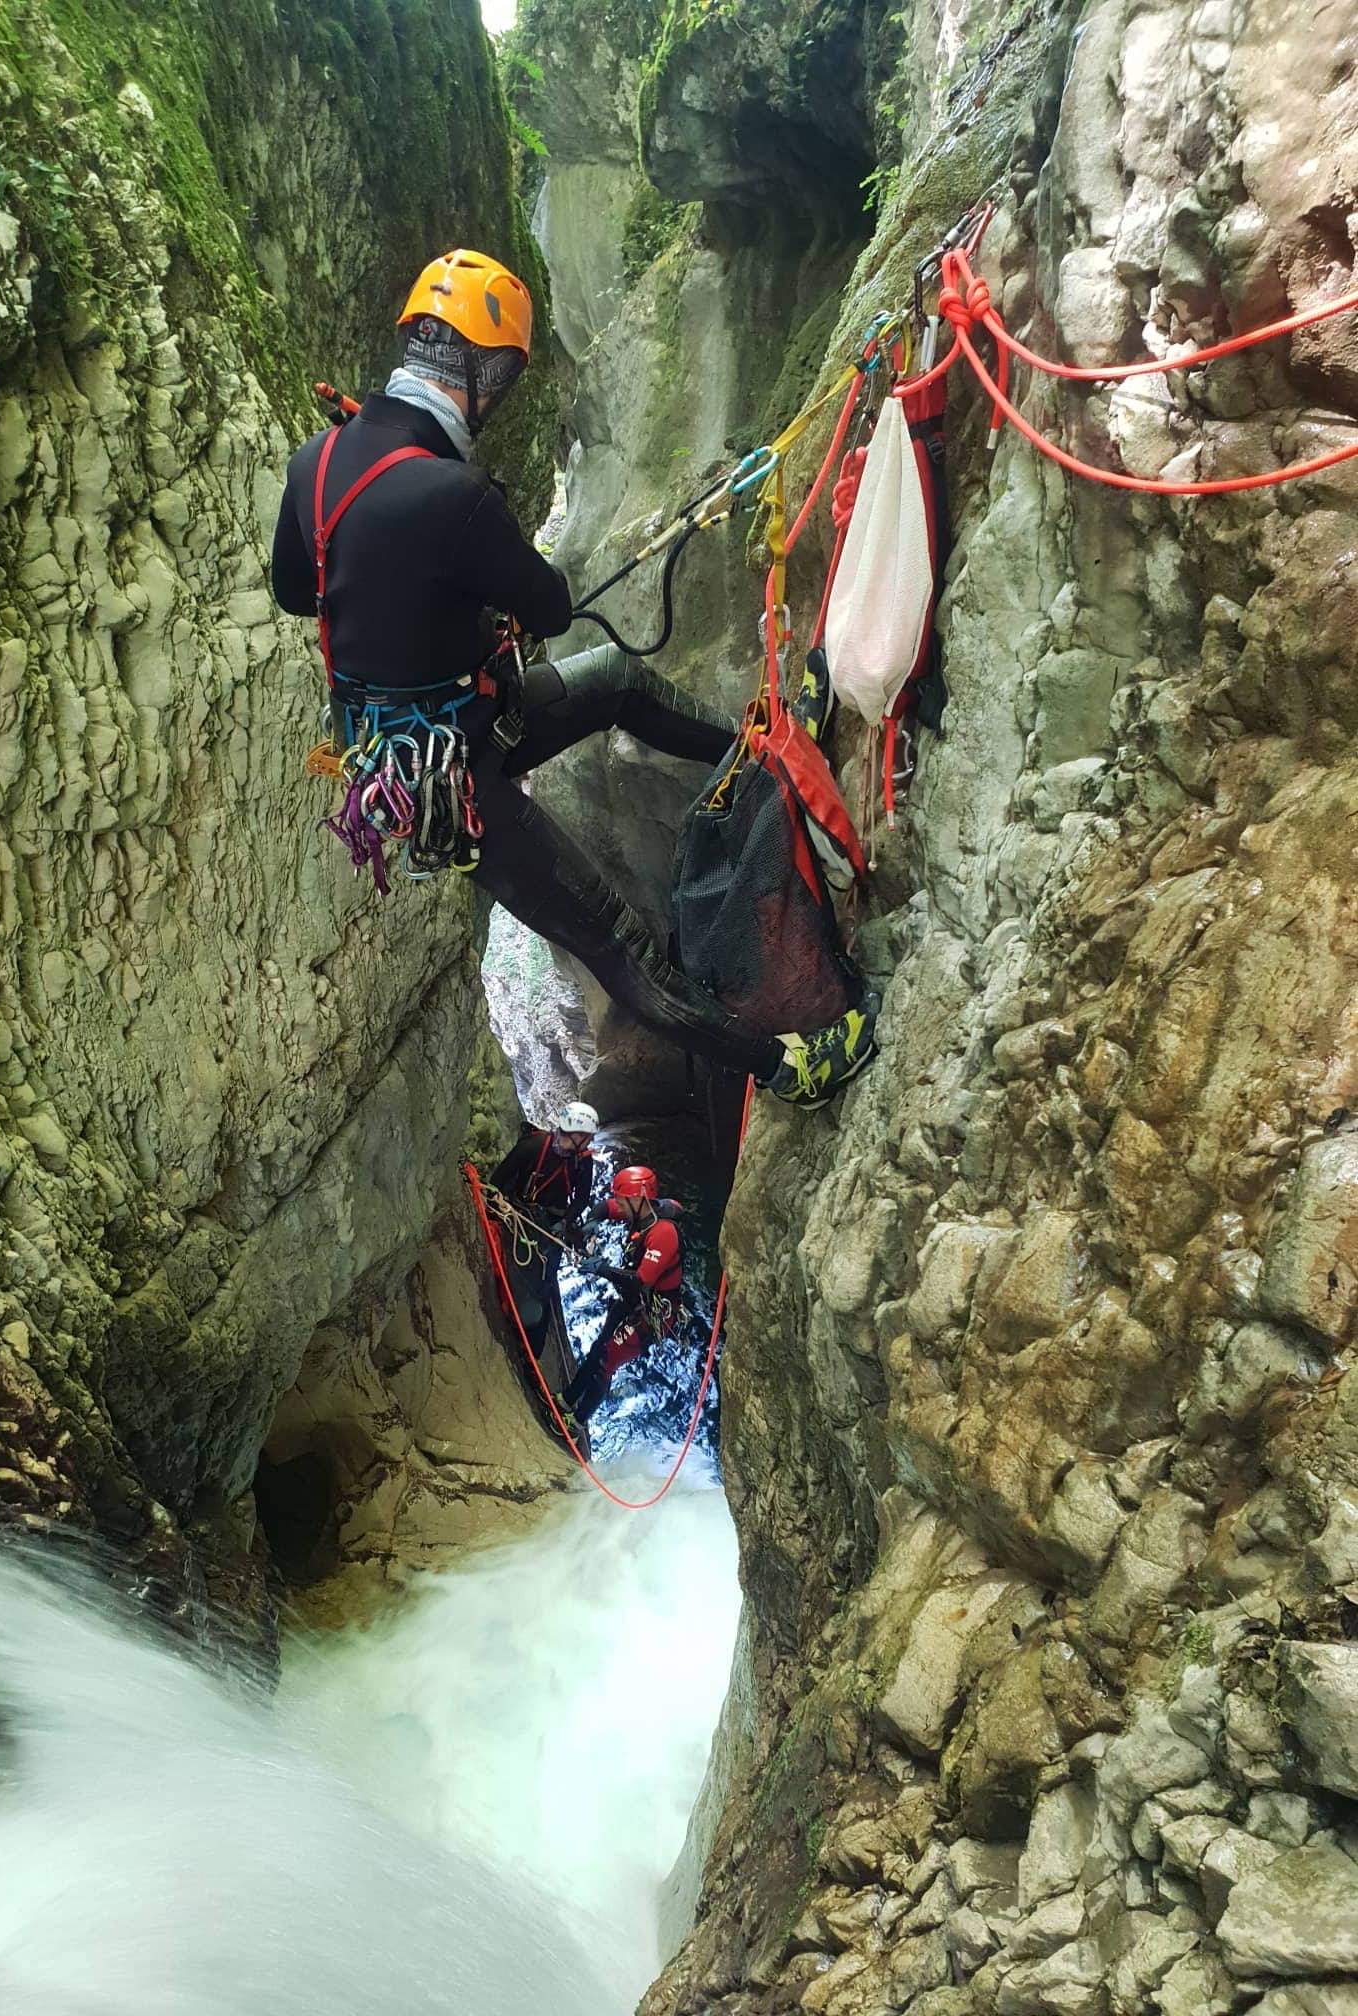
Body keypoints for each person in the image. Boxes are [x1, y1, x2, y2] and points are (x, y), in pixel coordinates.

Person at [271, 247, 877, 1110]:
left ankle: (762, 755)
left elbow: (298, 591)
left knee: (616, 680)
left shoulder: (315, 464)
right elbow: (550, 606)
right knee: (617, 942)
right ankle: (793, 1069)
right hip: (460, 786)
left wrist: (409, 598)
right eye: (504, 376)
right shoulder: (453, 494)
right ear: (481, 371)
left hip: (424, 741)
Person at [559, 1164, 682, 1431]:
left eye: (623, 1201)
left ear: (638, 1199)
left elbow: (641, 1280)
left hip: (652, 1313)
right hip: (632, 1301)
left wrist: (602, 1269)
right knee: (598, 1348)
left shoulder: (663, 1234)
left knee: (607, 1360)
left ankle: (576, 1423)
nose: (620, 1206)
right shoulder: (640, 1213)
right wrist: (592, 1223)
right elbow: (605, 1208)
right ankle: (567, 1399)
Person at [490, 1102, 599, 1357]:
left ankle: (532, 1352)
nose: (589, 1142)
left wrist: (565, 1223)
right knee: (520, 1270)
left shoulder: (583, 1162)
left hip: (552, 1223)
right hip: (521, 1214)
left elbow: (582, 1198)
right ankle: (515, 1320)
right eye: (587, 1137)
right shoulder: (533, 1146)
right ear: (576, 1135)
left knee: (545, 1284)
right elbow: (498, 1181)